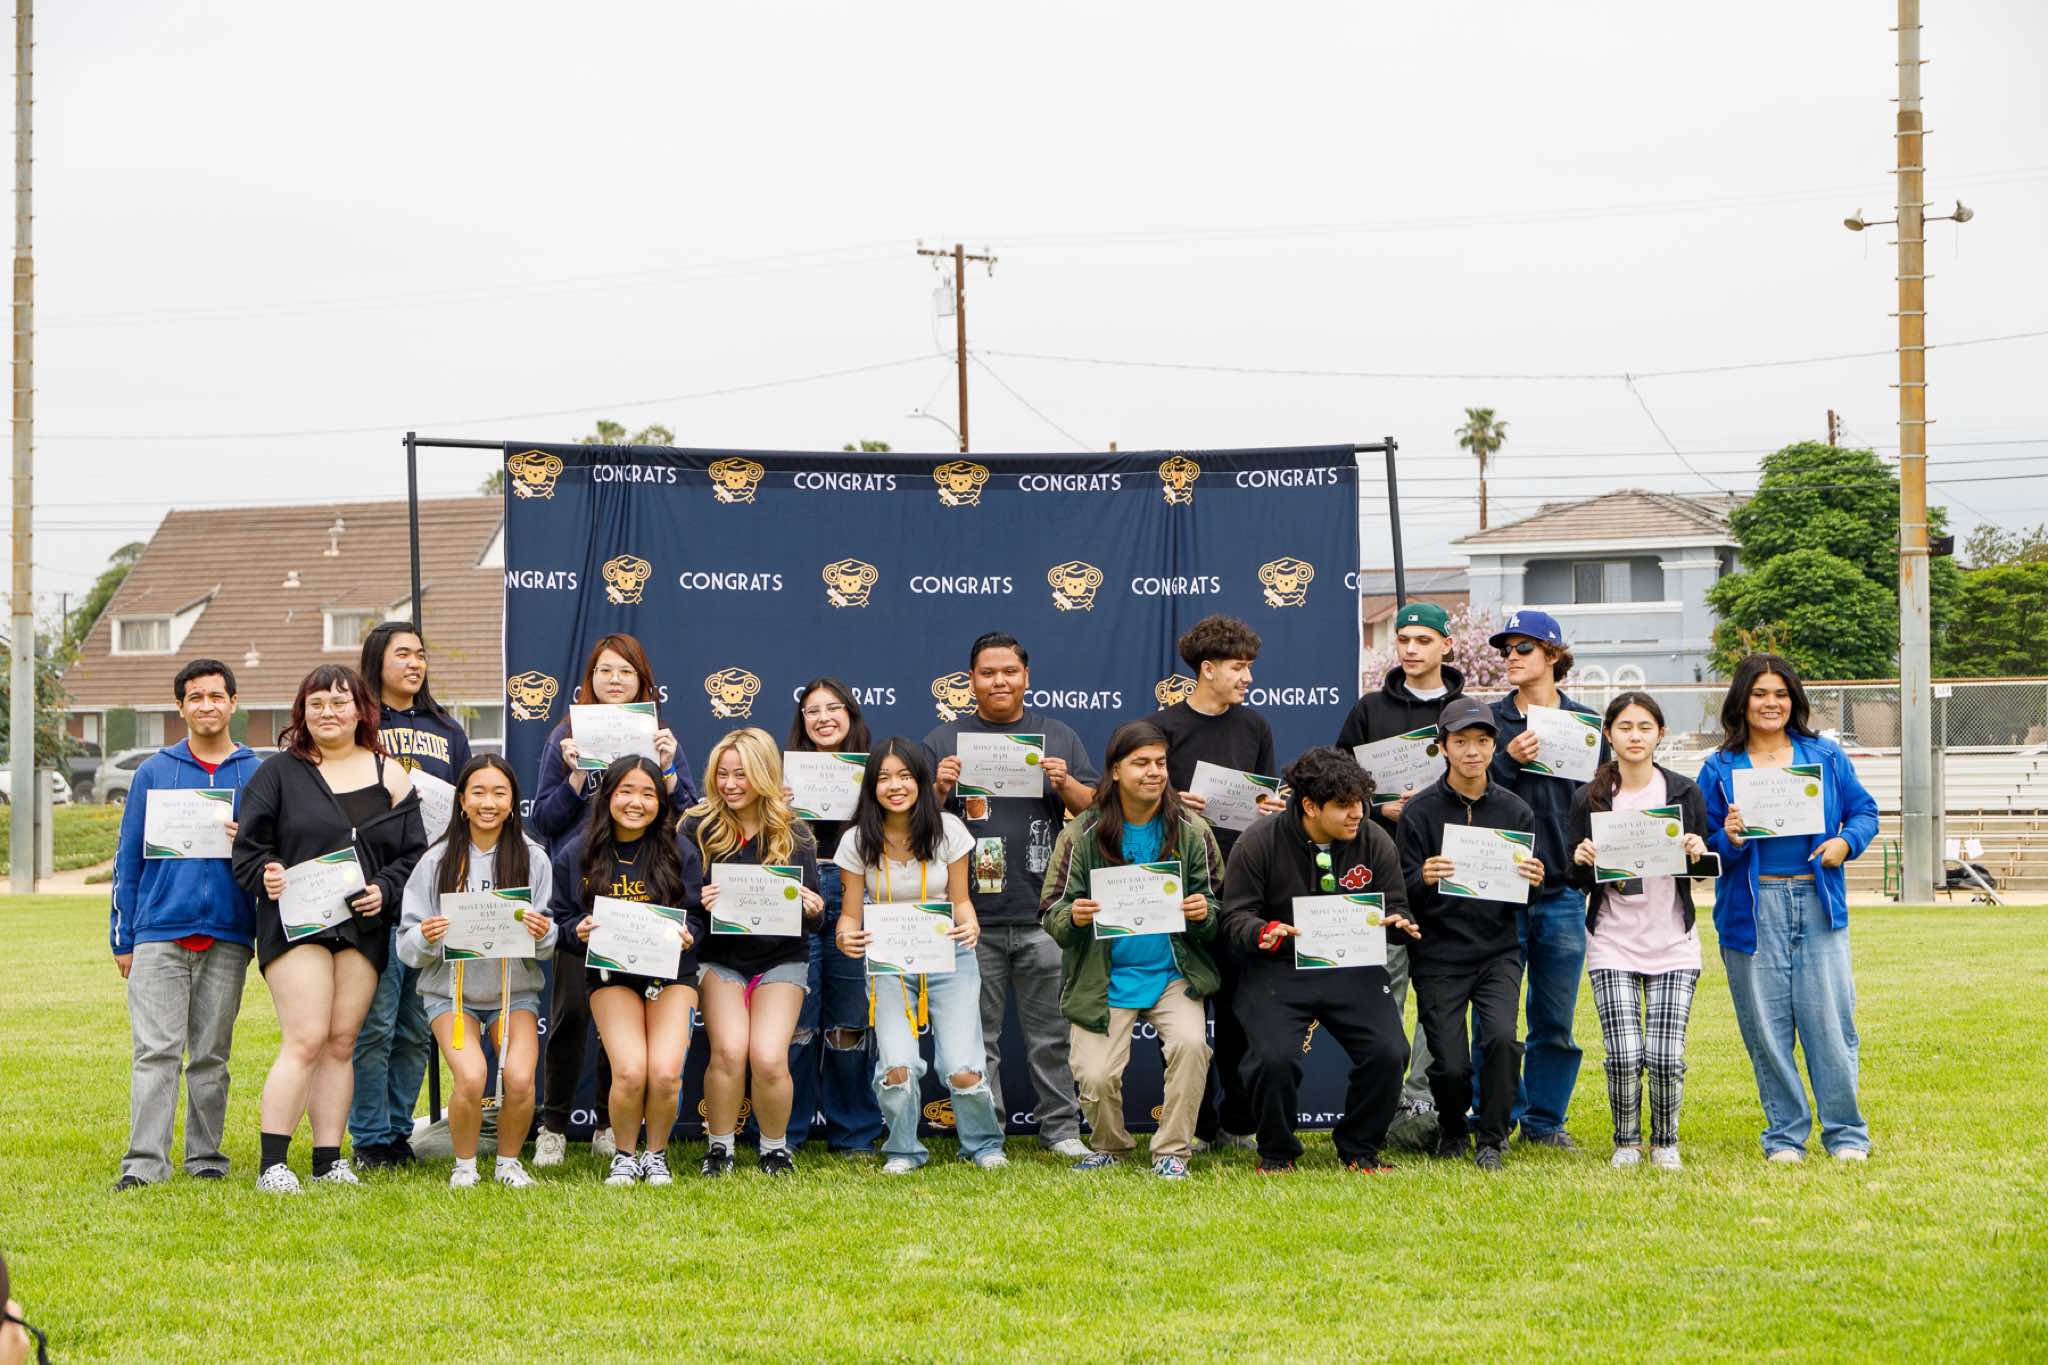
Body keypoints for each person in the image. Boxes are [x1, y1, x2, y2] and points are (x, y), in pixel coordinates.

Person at [231, 665, 427, 1193]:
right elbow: (248, 850)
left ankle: (327, 1160)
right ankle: (274, 1164)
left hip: (363, 926)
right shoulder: (278, 773)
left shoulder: (390, 774)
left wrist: (385, 889)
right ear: (302, 712)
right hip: (297, 925)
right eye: (316, 703)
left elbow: (413, 855)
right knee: (307, 1037)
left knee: (342, 1042)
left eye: (339, 703)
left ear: (361, 711)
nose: (328, 713)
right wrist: (267, 872)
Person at [924, 631, 1097, 1158]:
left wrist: (1065, 783)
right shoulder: (943, 741)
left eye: (1009, 672)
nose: (999, 681)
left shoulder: (1057, 735)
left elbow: (1093, 809)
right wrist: (939, 789)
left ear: (1026, 677)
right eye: (987, 673)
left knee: (1051, 1036)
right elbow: (913, 823)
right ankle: (987, 1136)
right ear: (971, 680)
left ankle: (1062, 1131)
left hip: (1043, 911)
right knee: (978, 1038)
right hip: (969, 915)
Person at [1700, 654, 1879, 1163]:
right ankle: (1785, 1136)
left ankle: (1846, 1133)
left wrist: (1845, 843)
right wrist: (1729, 838)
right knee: (1766, 1027)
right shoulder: (1719, 767)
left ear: (1793, 700)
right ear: (1742, 701)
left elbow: (1864, 812)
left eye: (1780, 694)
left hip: (1817, 902)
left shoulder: (1824, 755)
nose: (1770, 703)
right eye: (1759, 694)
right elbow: (1705, 847)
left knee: (1830, 1024)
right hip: (1752, 910)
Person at [531, 634, 696, 1169]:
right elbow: (544, 820)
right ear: (591, 679)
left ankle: (608, 1123)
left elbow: (688, 815)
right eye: (605, 670)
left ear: (643, 682)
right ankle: (554, 1125)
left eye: (626, 671)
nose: (615, 680)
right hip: (585, 894)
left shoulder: (661, 738)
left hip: (645, 895)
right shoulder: (565, 735)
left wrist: (667, 769)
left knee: (625, 1020)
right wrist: (577, 775)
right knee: (572, 1015)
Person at [1218, 746, 1420, 1174]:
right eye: (1344, 805)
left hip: (1353, 967)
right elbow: (1234, 916)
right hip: (1278, 969)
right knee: (1273, 1058)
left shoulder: (1375, 840)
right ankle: (1277, 1152)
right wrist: (1263, 932)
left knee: (1389, 1052)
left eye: (1361, 803)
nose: (1357, 814)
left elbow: (1396, 905)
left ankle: (1360, 1149)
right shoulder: (1258, 842)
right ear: (1310, 805)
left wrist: (1399, 924)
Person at [1041, 721, 1227, 1179]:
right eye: (1141, 763)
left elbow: (1219, 906)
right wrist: (1075, 916)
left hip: (1173, 973)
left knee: (1191, 1045)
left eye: (1160, 763)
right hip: (1103, 977)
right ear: (1115, 770)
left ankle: (1173, 1151)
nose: (1154, 772)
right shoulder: (1081, 833)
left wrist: (1203, 912)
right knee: (1095, 1074)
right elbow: (1051, 910)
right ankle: (1110, 1145)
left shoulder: (1192, 830)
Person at [109, 659, 264, 1190]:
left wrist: (249, 839)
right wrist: (123, 938)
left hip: (228, 931)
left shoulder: (256, 772)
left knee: (211, 1055)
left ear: (233, 703)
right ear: (180, 707)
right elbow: (128, 858)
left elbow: (276, 852)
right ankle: (144, 1164)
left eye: (216, 696)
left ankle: (206, 1157)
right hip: (158, 932)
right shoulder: (155, 771)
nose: (206, 706)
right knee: (155, 1052)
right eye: (195, 697)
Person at [832, 739, 1005, 1173]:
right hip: (888, 961)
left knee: (962, 1066)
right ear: (871, 786)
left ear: (921, 781)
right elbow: (849, 915)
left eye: (905, 776)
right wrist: (845, 937)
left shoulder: (948, 830)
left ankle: (983, 1145)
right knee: (897, 1065)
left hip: (949, 955)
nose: (896, 786)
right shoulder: (857, 840)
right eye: (884, 778)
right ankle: (903, 1149)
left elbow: (961, 902)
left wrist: (971, 924)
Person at [1334, 600, 1468, 1147]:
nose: (1411, 649)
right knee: (1382, 999)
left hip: (1449, 880)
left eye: (1423, 640)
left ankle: (1423, 1109)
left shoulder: (1467, 710)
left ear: (1446, 646)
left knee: (1440, 1006)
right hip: (1382, 881)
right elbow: (1336, 782)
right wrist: (1377, 808)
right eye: (1404, 640)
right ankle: (1379, 1110)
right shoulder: (1370, 709)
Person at [1144, 614, 1280, 1153]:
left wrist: (1271, 808)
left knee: (1241, 1012)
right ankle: (1196, 1125)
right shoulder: (1161, 729)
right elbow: (1130, 801)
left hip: (1244, 889)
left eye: (1250, 667)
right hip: (1180, 890)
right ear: (1207, 669)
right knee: (1184, 1012)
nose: (1248, 678)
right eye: (1238, 667)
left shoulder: (1256, 727)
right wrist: (1170, 801)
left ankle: (1240, 1121)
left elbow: (1268, 801)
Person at [1565, 692, 1713, 1170]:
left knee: (1666, 1055)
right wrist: (1581, 859)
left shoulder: (1683, 793)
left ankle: (1665, 1141)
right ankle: (1626, 1141)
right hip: (1612, 940)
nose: (1635, 736)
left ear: (1660, 735)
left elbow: (1703, 871)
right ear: (1608, 734)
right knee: (1625, 1054)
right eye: (1625, 727)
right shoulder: (1588, 798)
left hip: (1673, 941)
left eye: (1645, 727)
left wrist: (1696, 851)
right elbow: (1574, 877)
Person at [1396, 698, 1543, 1172]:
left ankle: (1493, 1137)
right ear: (1443, 747)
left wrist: (1534, 881)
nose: (1472, 751)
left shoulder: (1515, 811)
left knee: (1500, 1040)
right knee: (1450, 1061)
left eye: (1482, 741)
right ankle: (1453, 1128)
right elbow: (1400, 890)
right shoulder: (1419, 812)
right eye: (1461, 742)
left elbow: (1524, 897)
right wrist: (1423, 877)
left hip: (1497, 950)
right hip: (1438, 953)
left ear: (1494, 746)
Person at [398, 755, 555, 1188]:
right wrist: (427, 935)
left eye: (499, 793)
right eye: (479, 792)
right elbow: (407, 946)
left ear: (513, 802)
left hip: (513, 992)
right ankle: (464, 1166)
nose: (489, 803)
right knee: (471, 1077)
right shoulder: (436, 861)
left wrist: (543, 933)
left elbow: (547, 943)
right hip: (451, 994)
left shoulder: (533, 859)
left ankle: (508, 1163)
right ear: (462, 801)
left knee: (519, 1078)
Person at [349, 622, 472, 1171]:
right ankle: (370, 1136)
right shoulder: (358, 723)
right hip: (376, 891)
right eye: (403, 654)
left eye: (421, 654)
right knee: (374, 1024)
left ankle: (398, 1133)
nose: (415, 663)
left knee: (415, 1028)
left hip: (432, 895)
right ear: (377, 660)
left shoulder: (447, 728)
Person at [548, 756, 704, 1187]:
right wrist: (576, 931)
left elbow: (698, 917)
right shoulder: (577, 853)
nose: (637, 802)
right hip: (611, 977)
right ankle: (624, 1155)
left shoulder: (680, 850)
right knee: (632, 1071)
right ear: (608, 796)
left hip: (672, 975)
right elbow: (559, 921)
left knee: (665, 1073)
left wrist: (690, 934)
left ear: (660, 802)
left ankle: (656, 1155)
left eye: (648, 793)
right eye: (626, 791)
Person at [1485, 608, 1603, 1148]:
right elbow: (1465, 793)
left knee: (1554, 1019)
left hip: (1561, 892)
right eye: (1506, 649)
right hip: (1496, 892)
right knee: (1495, 1020)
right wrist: (1506, 760)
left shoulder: (1584, 724)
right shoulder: (1488, 722)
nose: (1511, 656)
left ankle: (1545, 1122)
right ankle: (1494, 1118)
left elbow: (1604, 801)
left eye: (1523, 648)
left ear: (1553, 655)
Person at [688, 728, 825, 1177]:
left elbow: (814, 919)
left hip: (780, 958)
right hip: (720, 958)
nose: (729, 784)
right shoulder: (696, 826)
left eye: (741, 774)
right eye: (722, 774)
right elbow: (678, 902)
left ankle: (774, 1149)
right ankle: (720, 1148)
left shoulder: (795, 832)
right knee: (729, 1051)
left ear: (764, 775)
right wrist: (699, 901)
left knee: (768, 1056)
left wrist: (814, 908)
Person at [781, 678, 885, 1158]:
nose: (823, 718)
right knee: (796, 1020)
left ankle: (854, 1132)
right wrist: (774, 806)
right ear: (801, 721)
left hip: (854, 891)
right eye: (812, 711)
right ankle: (784, 1131)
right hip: (796, 891)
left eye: (833, 708)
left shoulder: (878, 770)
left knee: (850, 1020)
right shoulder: (781, 773)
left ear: (851, 714)